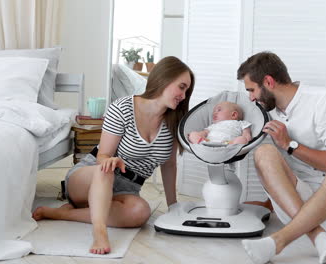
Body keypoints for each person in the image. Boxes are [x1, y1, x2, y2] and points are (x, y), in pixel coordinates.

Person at [32, 56, 194, 255]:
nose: (184, 95)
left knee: (140, 213)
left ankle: (62, 214)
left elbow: (169, 166)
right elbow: (103, 156)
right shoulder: (123, 108)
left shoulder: (174, 121)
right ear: (164, 79)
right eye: (182, 87)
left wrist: (173, 206)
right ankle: (99, 233)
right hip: (90, 177)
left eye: (187, 90)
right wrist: (110, 160)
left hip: (128, 188)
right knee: (106, 168)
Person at [236, 51, 326, 264]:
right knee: (263, 152)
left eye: (252, 90)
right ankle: (318, 236)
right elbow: (274, 168)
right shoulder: (266, 110)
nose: (251, 97)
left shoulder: (324, 100)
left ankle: (279, 241)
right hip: (295, 207)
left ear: (269, 81)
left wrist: (290, 145)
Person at [188, 101, 252, 145]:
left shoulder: (241, 123)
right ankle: (201, 144)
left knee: (242, 140)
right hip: (208, 142)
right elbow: (203, 133)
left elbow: (246, 134)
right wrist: (198, 135)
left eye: (219, 110)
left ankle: (234, 144)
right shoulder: (213, 126)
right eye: (214, 111)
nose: (214, 113)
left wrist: (246, 139)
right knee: (193, 134)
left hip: (229, 144)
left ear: (234, 115)